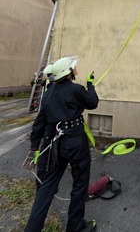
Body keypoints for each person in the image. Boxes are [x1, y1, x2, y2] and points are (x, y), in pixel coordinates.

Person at [22, 56, 99, 232]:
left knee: (46, 186)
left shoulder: (48, 93)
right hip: (74, 143)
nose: (76, 68)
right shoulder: (76, 90)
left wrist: (34, 147)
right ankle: (75, 227)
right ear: (69, 73)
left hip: (52, 145)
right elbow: (92, 103)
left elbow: (39, 122)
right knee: (80, 183)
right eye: (74, 67)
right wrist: (90, 85)